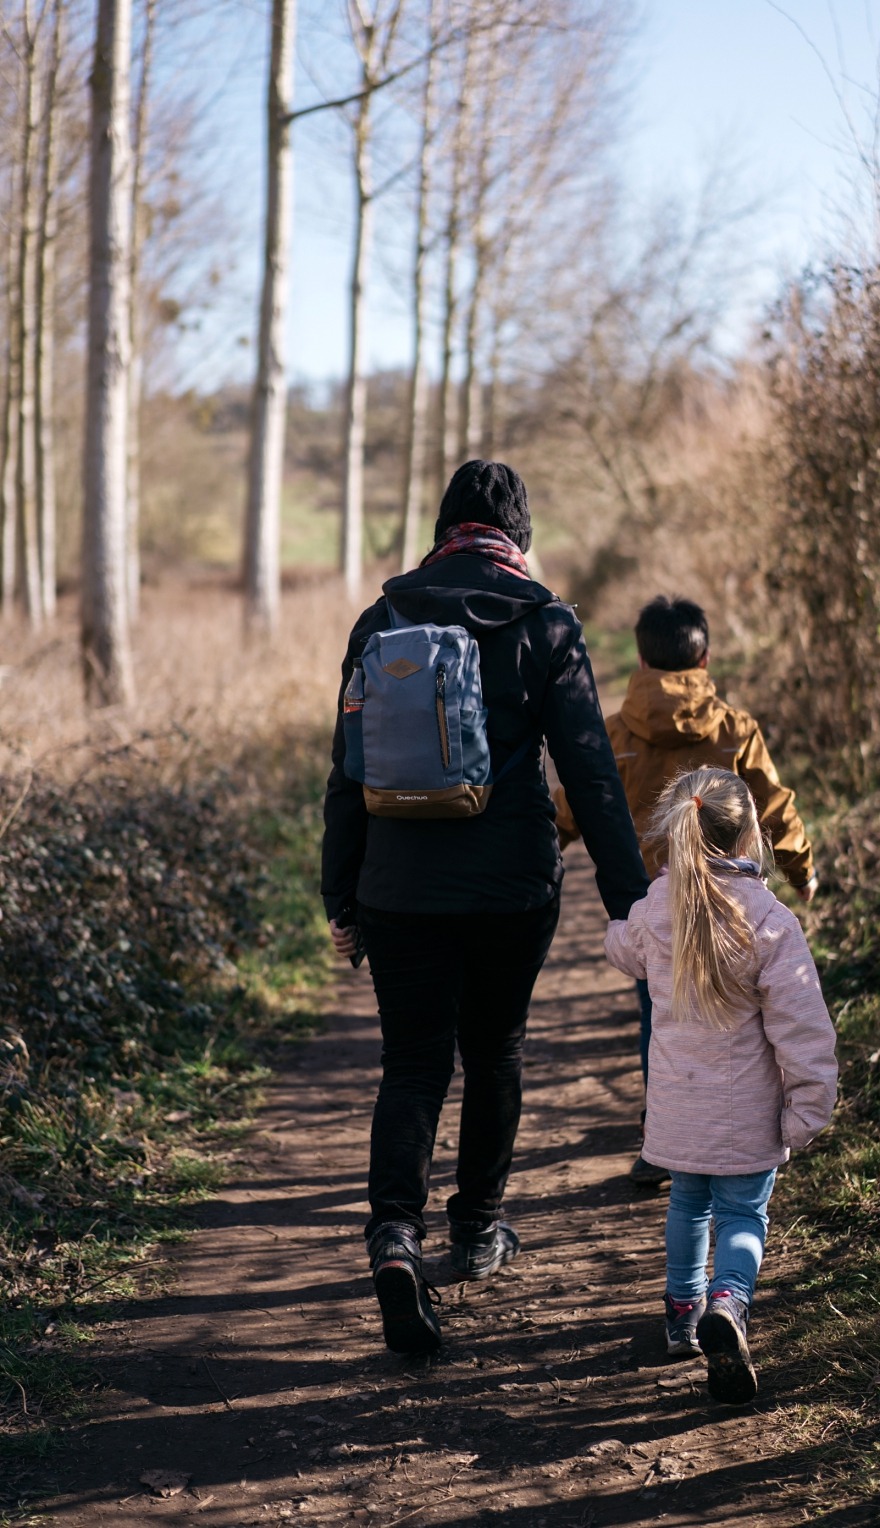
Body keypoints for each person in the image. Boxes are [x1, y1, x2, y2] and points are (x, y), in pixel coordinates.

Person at [321, 460, 649, 1356]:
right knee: (495, 1049)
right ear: (519, 535)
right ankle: (477, 1229)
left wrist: (340, 893)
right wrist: (631, 907)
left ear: (443, 527)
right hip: (511, 886)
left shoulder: (382, 619)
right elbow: (593, 774)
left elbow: (347, 774)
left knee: (413, 1065)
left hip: (398, 888)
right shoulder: (544, 623)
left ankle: (394, 1237)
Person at [553, 595, 817, 1188]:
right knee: (742, 1021)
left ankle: (664, 1138)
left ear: (642, 662)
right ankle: (730, 1132)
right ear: (705, 658)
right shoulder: (733, 731)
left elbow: (570, 808)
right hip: (734, 905)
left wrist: (531, 856)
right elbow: (773, 806)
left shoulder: (615, 733)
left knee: (663, 1018)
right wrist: (803, 871)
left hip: (653, 905)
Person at [602, 766, 838, 1404]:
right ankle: (728, 1306)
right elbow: (803, 1028)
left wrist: (621, 928)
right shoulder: (769, 921)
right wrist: (808, 1108)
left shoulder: (657, 910)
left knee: (687, 1205)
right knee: (743, 1213)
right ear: (748, 836)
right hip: (748, 1116)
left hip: (676, 1112)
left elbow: (621, 947)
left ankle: (682, 1316)